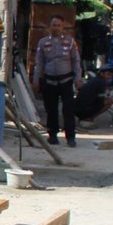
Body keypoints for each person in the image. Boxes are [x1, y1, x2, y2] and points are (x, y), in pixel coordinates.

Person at [33, 15, 80, 147]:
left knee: (68, 109)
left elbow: (76, 61)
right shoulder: (43, 43)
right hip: (49, 81)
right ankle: (52, 135)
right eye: (54, 25)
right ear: (50, 27)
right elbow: (39, 63)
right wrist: (36, 80)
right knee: (51, 109)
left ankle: (70, 137)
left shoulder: (70, 42)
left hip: (66, 80)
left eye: (59, 25)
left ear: (63, 27)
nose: (56, 28)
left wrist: (78, 78)